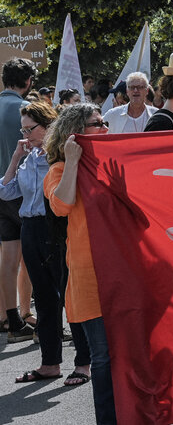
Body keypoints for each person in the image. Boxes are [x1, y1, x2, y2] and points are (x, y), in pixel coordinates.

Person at [1, 101, 91, 385]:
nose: (26, 135)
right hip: (30, 227)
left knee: (68, 294)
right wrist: (16, 157)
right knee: (42, 298)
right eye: (23, 129)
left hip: (57, 227)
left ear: (49, 126)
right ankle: (50, 362)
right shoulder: (28, 156)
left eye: (31, 129)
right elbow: (5, 191)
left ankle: (83, 363)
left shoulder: (57, 155)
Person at [42, 103, 113, 423]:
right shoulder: (58, 170)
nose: (106, 128)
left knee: (125, 355)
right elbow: (62, 204)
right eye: (99, 124)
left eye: (105, 122)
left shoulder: (109, 161)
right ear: (76, 134)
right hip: (88, 275)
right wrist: (72, 161)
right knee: (103, 357)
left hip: (120, 272)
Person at [0, 58, 34, 342]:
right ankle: (30, 317)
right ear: (28, 82)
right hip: (19, 192)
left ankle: (11, 319)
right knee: (33, 259)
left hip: (1, 190)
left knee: (8, 259)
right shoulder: (25, 110)